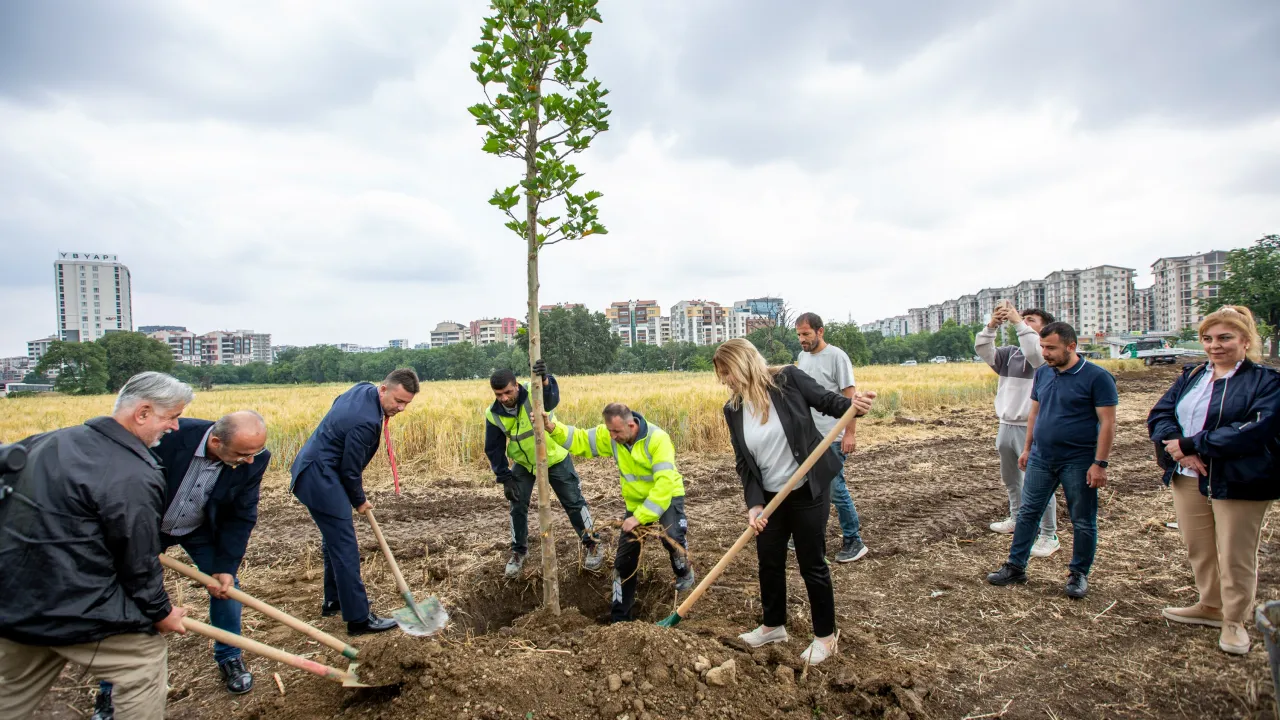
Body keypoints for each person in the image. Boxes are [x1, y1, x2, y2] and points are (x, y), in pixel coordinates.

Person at [0, 372, 191, 720]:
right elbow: (139, 560)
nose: (176, 427)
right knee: (144, 663)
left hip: (17, 602)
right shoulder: (134, 472)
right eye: (172, 417)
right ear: (143, 412)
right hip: (80, 608)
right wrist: (161, 613)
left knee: (10, 690)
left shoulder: (43, 442)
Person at [93, 411, 270, 719]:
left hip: (197, 526)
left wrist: (226, 565)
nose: (250, 461)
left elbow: (241, 514)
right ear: (216, 442)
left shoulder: (255, 458)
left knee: (226, 588)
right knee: (126, 597)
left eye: (254, 453)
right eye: (243, 454)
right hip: (144, 527)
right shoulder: (168, 436)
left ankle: (229, 656)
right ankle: (111, 687)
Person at [713, 339, 874, 665]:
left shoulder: (788, 380)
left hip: (806, 490)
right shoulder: (733, 410)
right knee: (768, 561)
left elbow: (829, 402)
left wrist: (853, 405)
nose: (724, 381)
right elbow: (744, 463)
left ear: (743, 364)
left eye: (726, 372)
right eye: (721, 375)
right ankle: (773, 626)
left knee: (811, 562)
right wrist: (754, 505)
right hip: (770, 497)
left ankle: (825, 638)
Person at [1147, 305, 1280, 655]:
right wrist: (1180, 451)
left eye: (1224, 338)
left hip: (1240, 479)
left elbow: (1254, 430)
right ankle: (1210, 605)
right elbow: (1161, 414)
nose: (1214, 345)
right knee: (1200, 547)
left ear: (1245, 340)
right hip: (1187, 475)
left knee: (1236, 553)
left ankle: (1234, 621)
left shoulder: (1266, 381)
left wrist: (1194, 444)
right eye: (1208, 338)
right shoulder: (1192, 376)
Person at [987, 322, 1117, 599]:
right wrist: (1027, 448)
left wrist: (1100, 463)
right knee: (1028, 513)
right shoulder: (1043, 374)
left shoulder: (1097, 378)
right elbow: (1034, 412)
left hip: (1079, 460)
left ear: (1072, 346)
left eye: (1051, 348)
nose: (1044, 353)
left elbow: (1107, 423)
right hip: (1041, 458)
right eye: (1042, 347)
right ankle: (1016, 566)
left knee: (1082, 519)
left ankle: (1078, 574)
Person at [291, 369, 419, 635]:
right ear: (384, 389)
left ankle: (334, 600)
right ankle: (359, 619)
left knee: (334, 541)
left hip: (313, 469)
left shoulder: (363, 388)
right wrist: (359, 500)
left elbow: (338, 406)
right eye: (398, 401)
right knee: (345, 546)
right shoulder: (366, 422)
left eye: (406, 403)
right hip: (321, 478)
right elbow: (351, 470)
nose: (401, 408)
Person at [545, 403, 695, 622]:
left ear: (632, 424)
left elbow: (664, 484)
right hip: (635, 504)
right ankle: (620, 619)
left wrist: (639, 517)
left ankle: (683, 570)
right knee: (624, 563)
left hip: (666, 498)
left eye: (616, 431)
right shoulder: (612, 437)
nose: (612, 436)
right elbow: (580, 440)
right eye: (610, 431)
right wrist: (552, 427)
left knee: (672, 538)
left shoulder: (658, 439)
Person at [485, 360, 602, 578]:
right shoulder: (493, 413)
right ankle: (518, 552)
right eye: (498, 394)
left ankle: (593, 544)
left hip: (554, 457)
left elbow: (551, 400)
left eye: (507, 392)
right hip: (524, 464)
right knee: (517, 505)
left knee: (574, 502)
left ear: (517, 386)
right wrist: (504, 477)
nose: (504, 398)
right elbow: (493, 448)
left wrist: (546, 380)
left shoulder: (534, 392)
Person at [975, 301, 1061, 558]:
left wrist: (1016, 321)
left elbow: (1035, 352)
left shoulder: (1046, 357)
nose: (1023, 321)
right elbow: (982, 349)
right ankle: (1016, 516)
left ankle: (1048, 534)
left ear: (1046, 330)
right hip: (1006, 424)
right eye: (1023, 319)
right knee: (1011, 478)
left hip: (1033, 427)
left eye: (1031, 319)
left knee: (1039, 482)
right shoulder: (1011, 354)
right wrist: (992, 325)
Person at [794, 312, 869, 563]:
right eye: (799, 335)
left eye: (806, 334)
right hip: (810, 436)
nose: (802, 340)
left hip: (833, 435)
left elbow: (851, 399)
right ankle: (807, 535)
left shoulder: (837, 357)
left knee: (835, 489)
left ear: (820, 331)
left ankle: (853, 540)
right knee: (808, 487)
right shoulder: (802, 358)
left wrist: (849, 434)